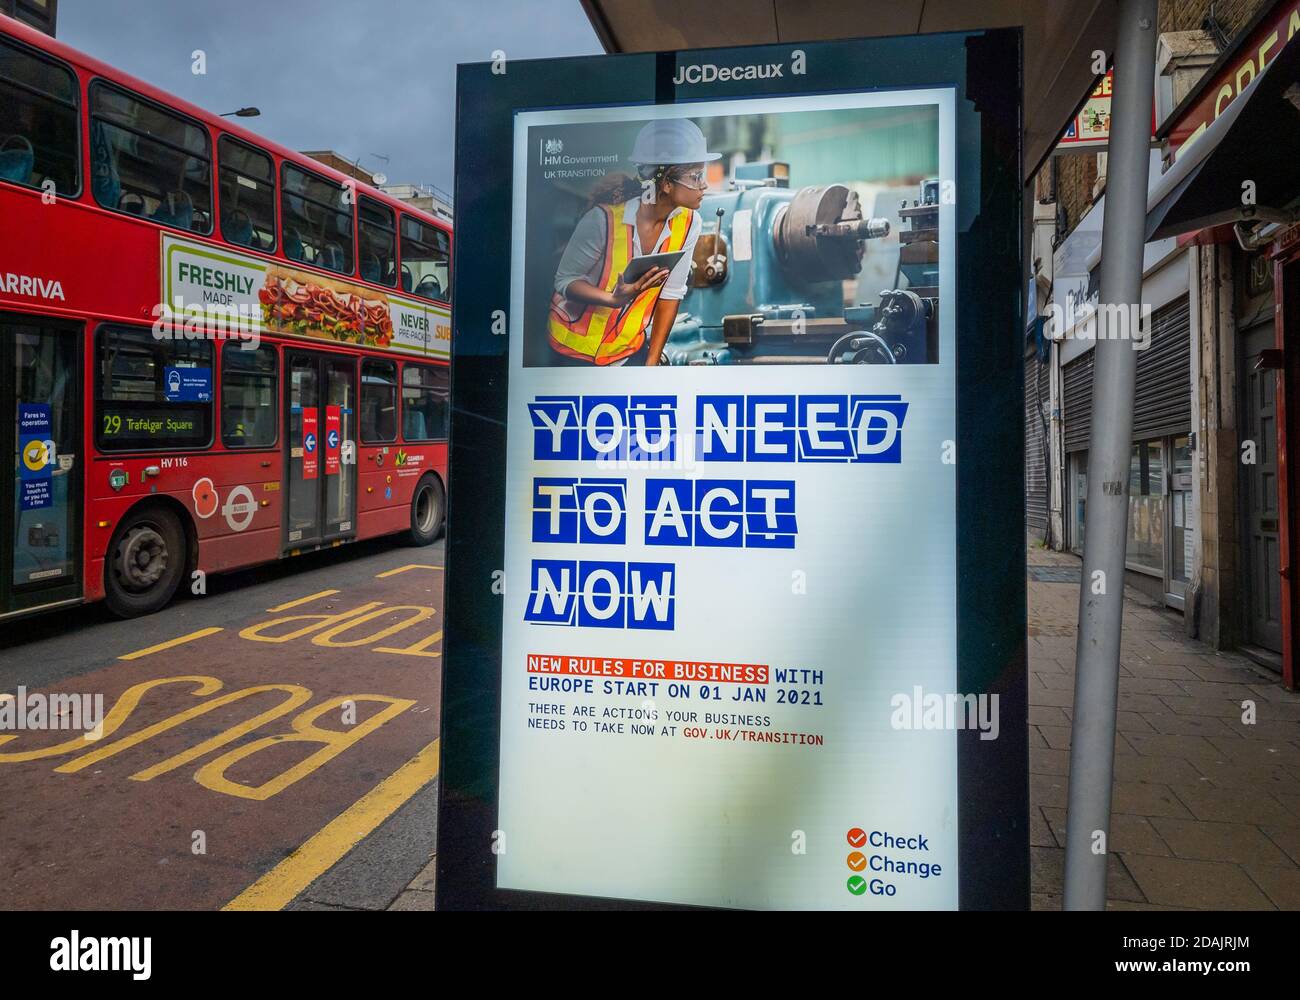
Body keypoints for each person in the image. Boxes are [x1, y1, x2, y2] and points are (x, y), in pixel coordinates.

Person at [548, 118, 719, 366]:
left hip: (626, 353)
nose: (704, 184)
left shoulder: (689, 223)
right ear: (667, 183)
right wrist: (612, 299)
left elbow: (670, 295)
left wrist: (650, 363)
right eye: (695, 176)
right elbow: (564, 280)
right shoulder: (602, 220)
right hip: (570, 352)